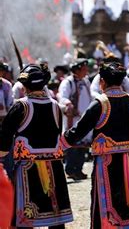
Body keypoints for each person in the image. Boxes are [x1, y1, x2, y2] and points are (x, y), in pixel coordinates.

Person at [61, 62, 129, 227]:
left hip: (109, 161)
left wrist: (61, 145)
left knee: (109, 198)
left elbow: (80, 129)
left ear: (102, 81)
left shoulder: (101, 102)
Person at [0, 64, 73, 228]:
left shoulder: (21, 106)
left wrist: (2, 155)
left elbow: (5, 136)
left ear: (25, 85)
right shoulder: (55, 106)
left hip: (28, 168)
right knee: (54, 212)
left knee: (27, 214)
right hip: (53, 166)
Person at [57, 58, 92, 180]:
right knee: (73, 143)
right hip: (74, 117)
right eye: (84, 69)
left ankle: (79, 169)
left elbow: (91, 96)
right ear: (77, 69)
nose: (86, 70)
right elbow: (62, 96)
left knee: (83, 145)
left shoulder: (86, 81)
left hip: (85, 117)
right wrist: (68, 104)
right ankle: (71, 169)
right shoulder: (68, 82)